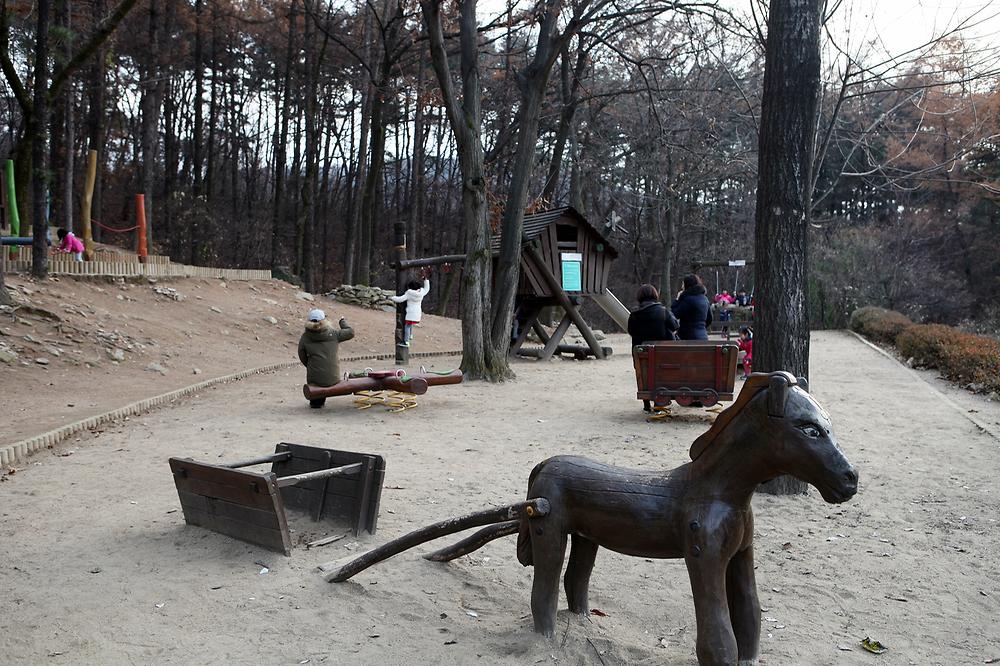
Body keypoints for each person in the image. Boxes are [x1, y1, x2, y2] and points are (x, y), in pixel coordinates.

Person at [628, 284, 679, 412]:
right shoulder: (662, 311)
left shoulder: (634, 314)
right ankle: (658, 402)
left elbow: (631, 331)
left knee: (643, 373)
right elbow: (675, 326)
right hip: (661, 351)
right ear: (655, 295)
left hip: (640, 351)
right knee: (661, 374)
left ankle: (646, 403)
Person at [297, 308, 354, 408]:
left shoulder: (305, 337)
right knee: (328, 375)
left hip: (315, 378)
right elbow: (350, 332)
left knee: (316, 380)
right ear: (324, 320)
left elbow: (301, 354)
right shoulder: (333, 334)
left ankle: (316, 402)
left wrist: (310, 366)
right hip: (333, 378)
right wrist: (342, 322)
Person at [391, 270, 430, 346]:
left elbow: (400, 299)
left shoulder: (409, 294)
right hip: (418, 313)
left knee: (407, 326)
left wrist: (392, 298)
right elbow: (427, 289)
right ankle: (411, 335)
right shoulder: (422, 293)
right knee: (410, 324)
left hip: (410, 313)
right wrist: (426, 280)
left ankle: (406, 342)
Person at [671, 274, 712, 340]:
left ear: (687, 285)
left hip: (688, 337)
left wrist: (677, 299)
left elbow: (675, 314)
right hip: (703, 336)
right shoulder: (705, 299)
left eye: (683, 284)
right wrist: (701, 328)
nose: (682, 287)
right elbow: (709, 319)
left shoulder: (687, 299)